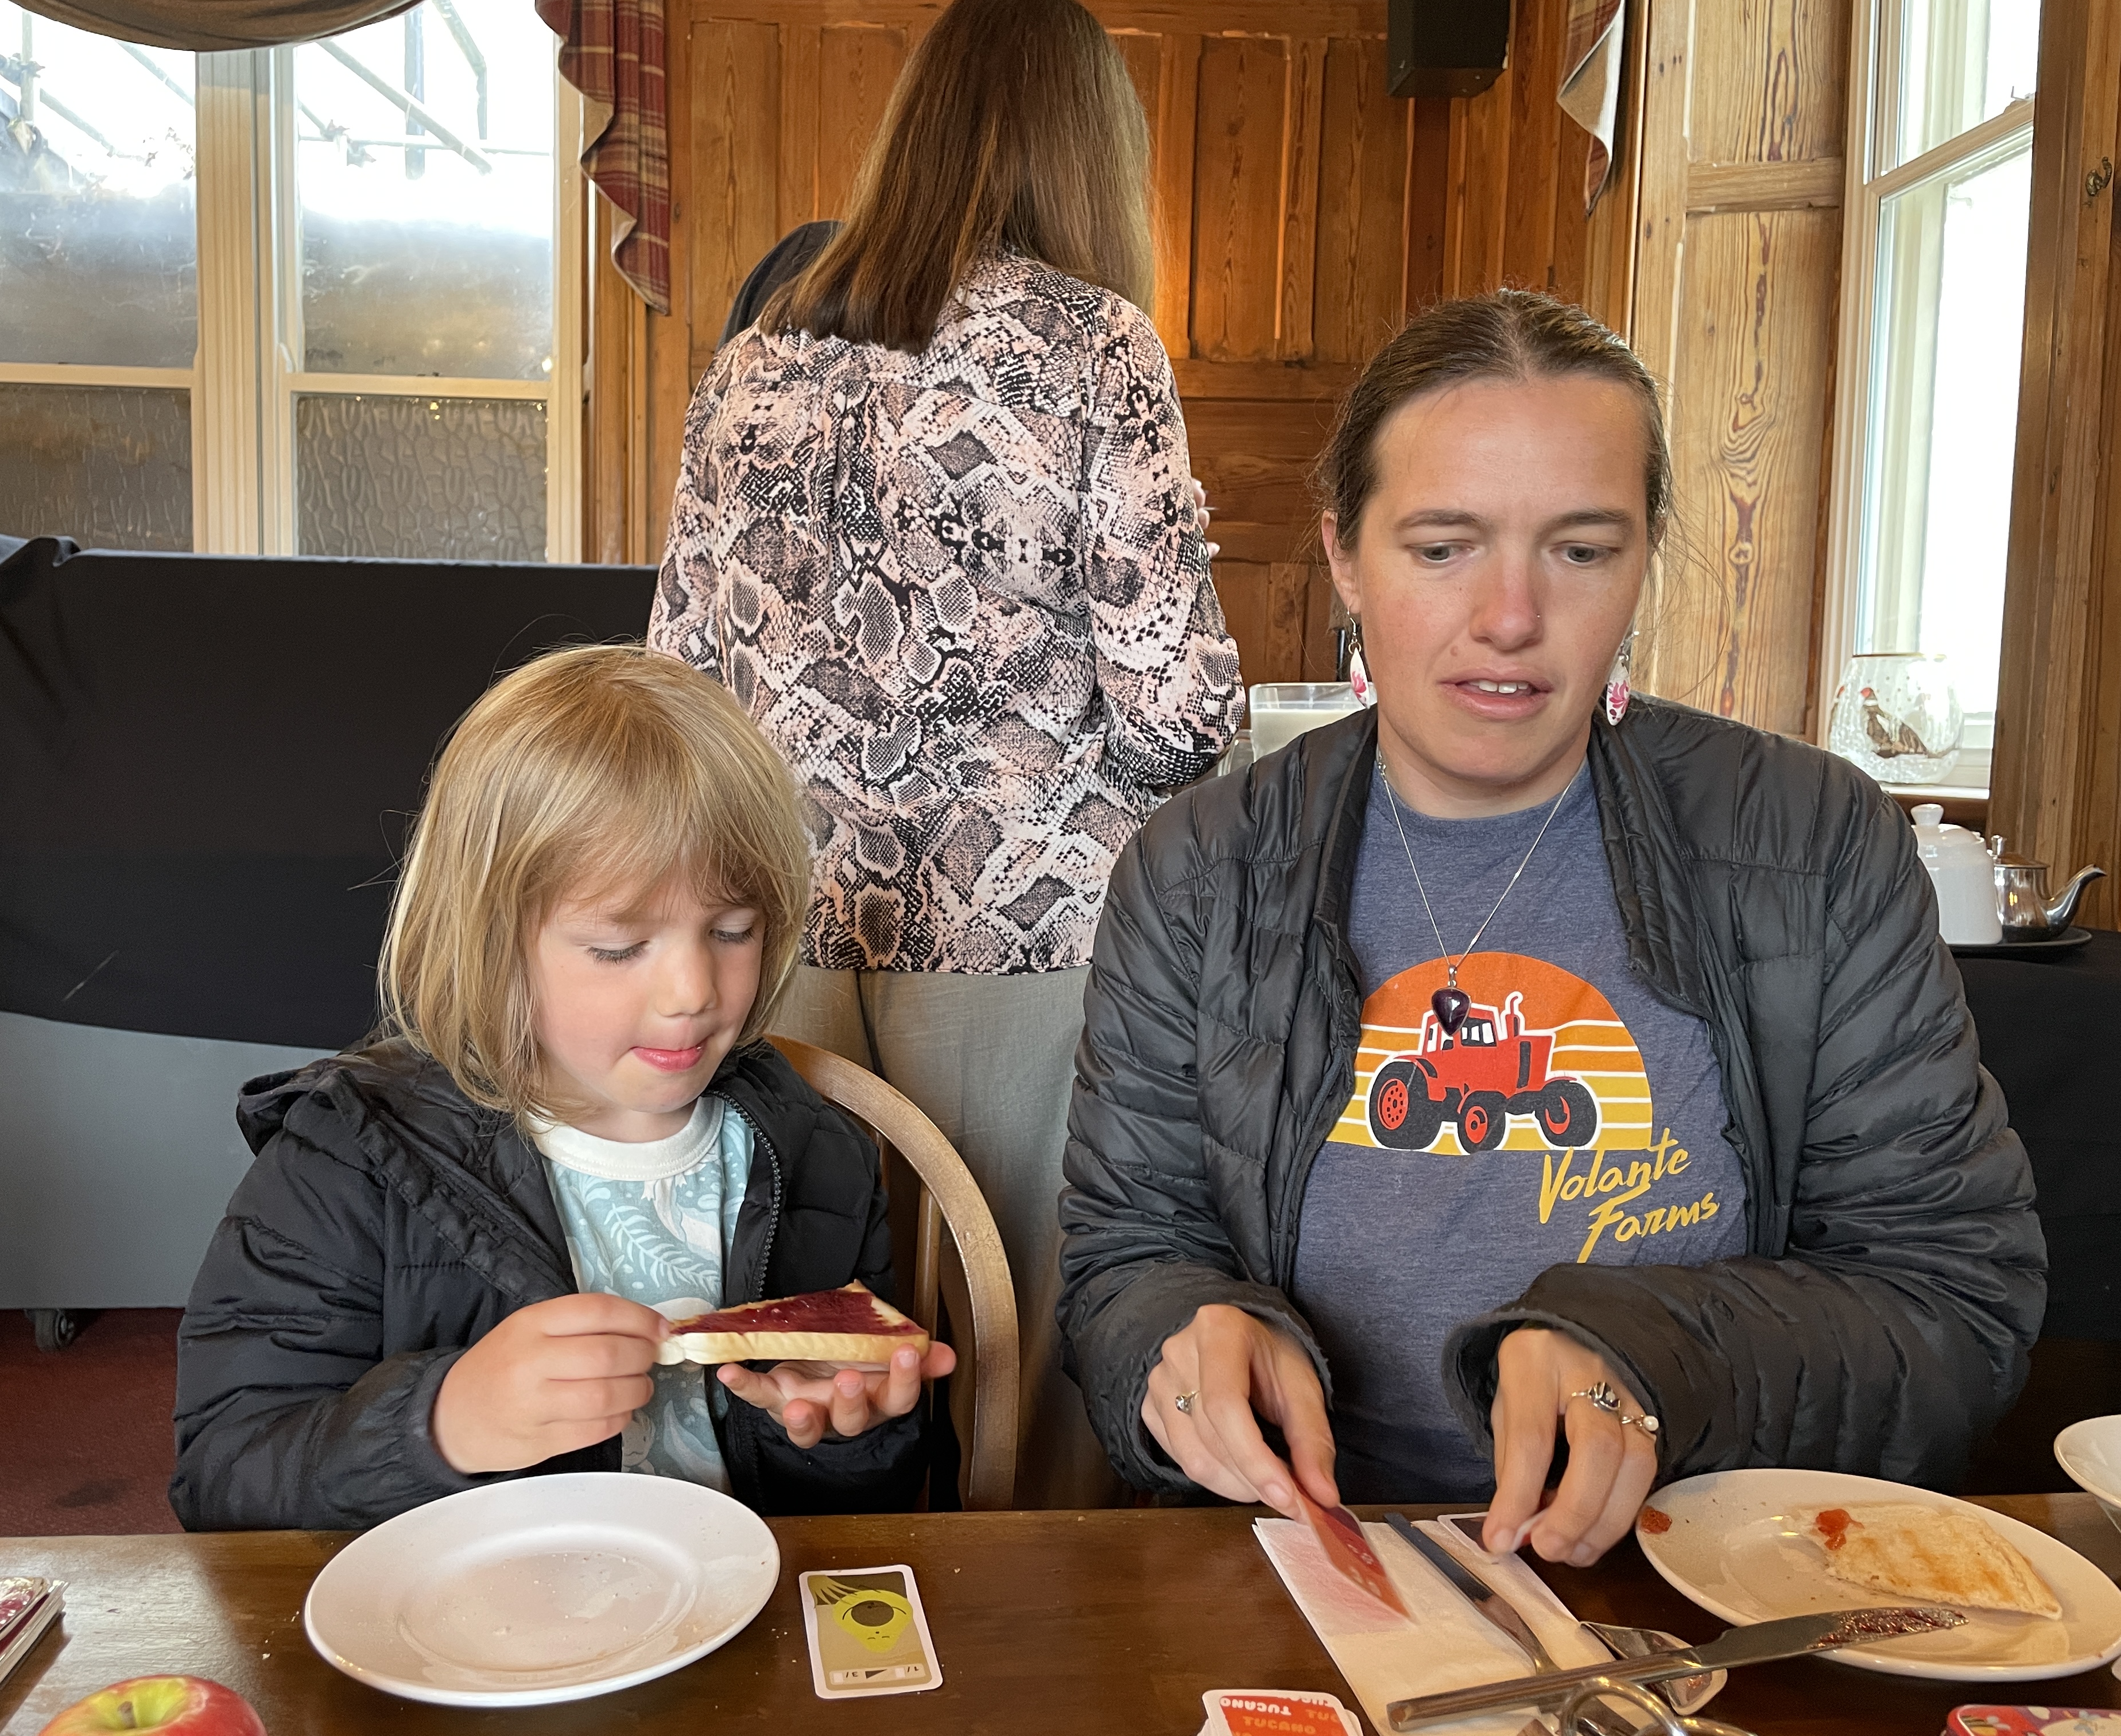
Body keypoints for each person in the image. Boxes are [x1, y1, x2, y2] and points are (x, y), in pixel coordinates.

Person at [1056, 289, 2045, 1564]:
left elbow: (1953, 1304)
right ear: (1345, 554)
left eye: (1581, 551)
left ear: (1643, 558)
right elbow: (1128, 1255)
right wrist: (1176, 1338)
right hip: (1305, 1558)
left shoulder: (1815, 845)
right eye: (1442, 548)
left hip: (1689, 1567)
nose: (1512, 617)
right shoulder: (1198, 871)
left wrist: (1656, 1351)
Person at [651, 0, 1241, 1509]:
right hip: (1027, 942)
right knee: (1024, 1378)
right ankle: (1024, 1623)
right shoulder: (1097, 348)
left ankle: (825, 1610)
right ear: (1090, 151)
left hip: (780, 935)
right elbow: (1178, 716)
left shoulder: (753, 364)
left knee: (809, 1366)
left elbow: (677, 687)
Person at [170, 646, 954, 1530]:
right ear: (492, 944)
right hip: (473, 1610)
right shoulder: (348, 1158)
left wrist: (849, 1436)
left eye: (733, 931)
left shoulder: (816, 1154)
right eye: (619, 947)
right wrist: (440, 1424)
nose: (693, 992)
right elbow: (224, 1477)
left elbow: (863, 1502)